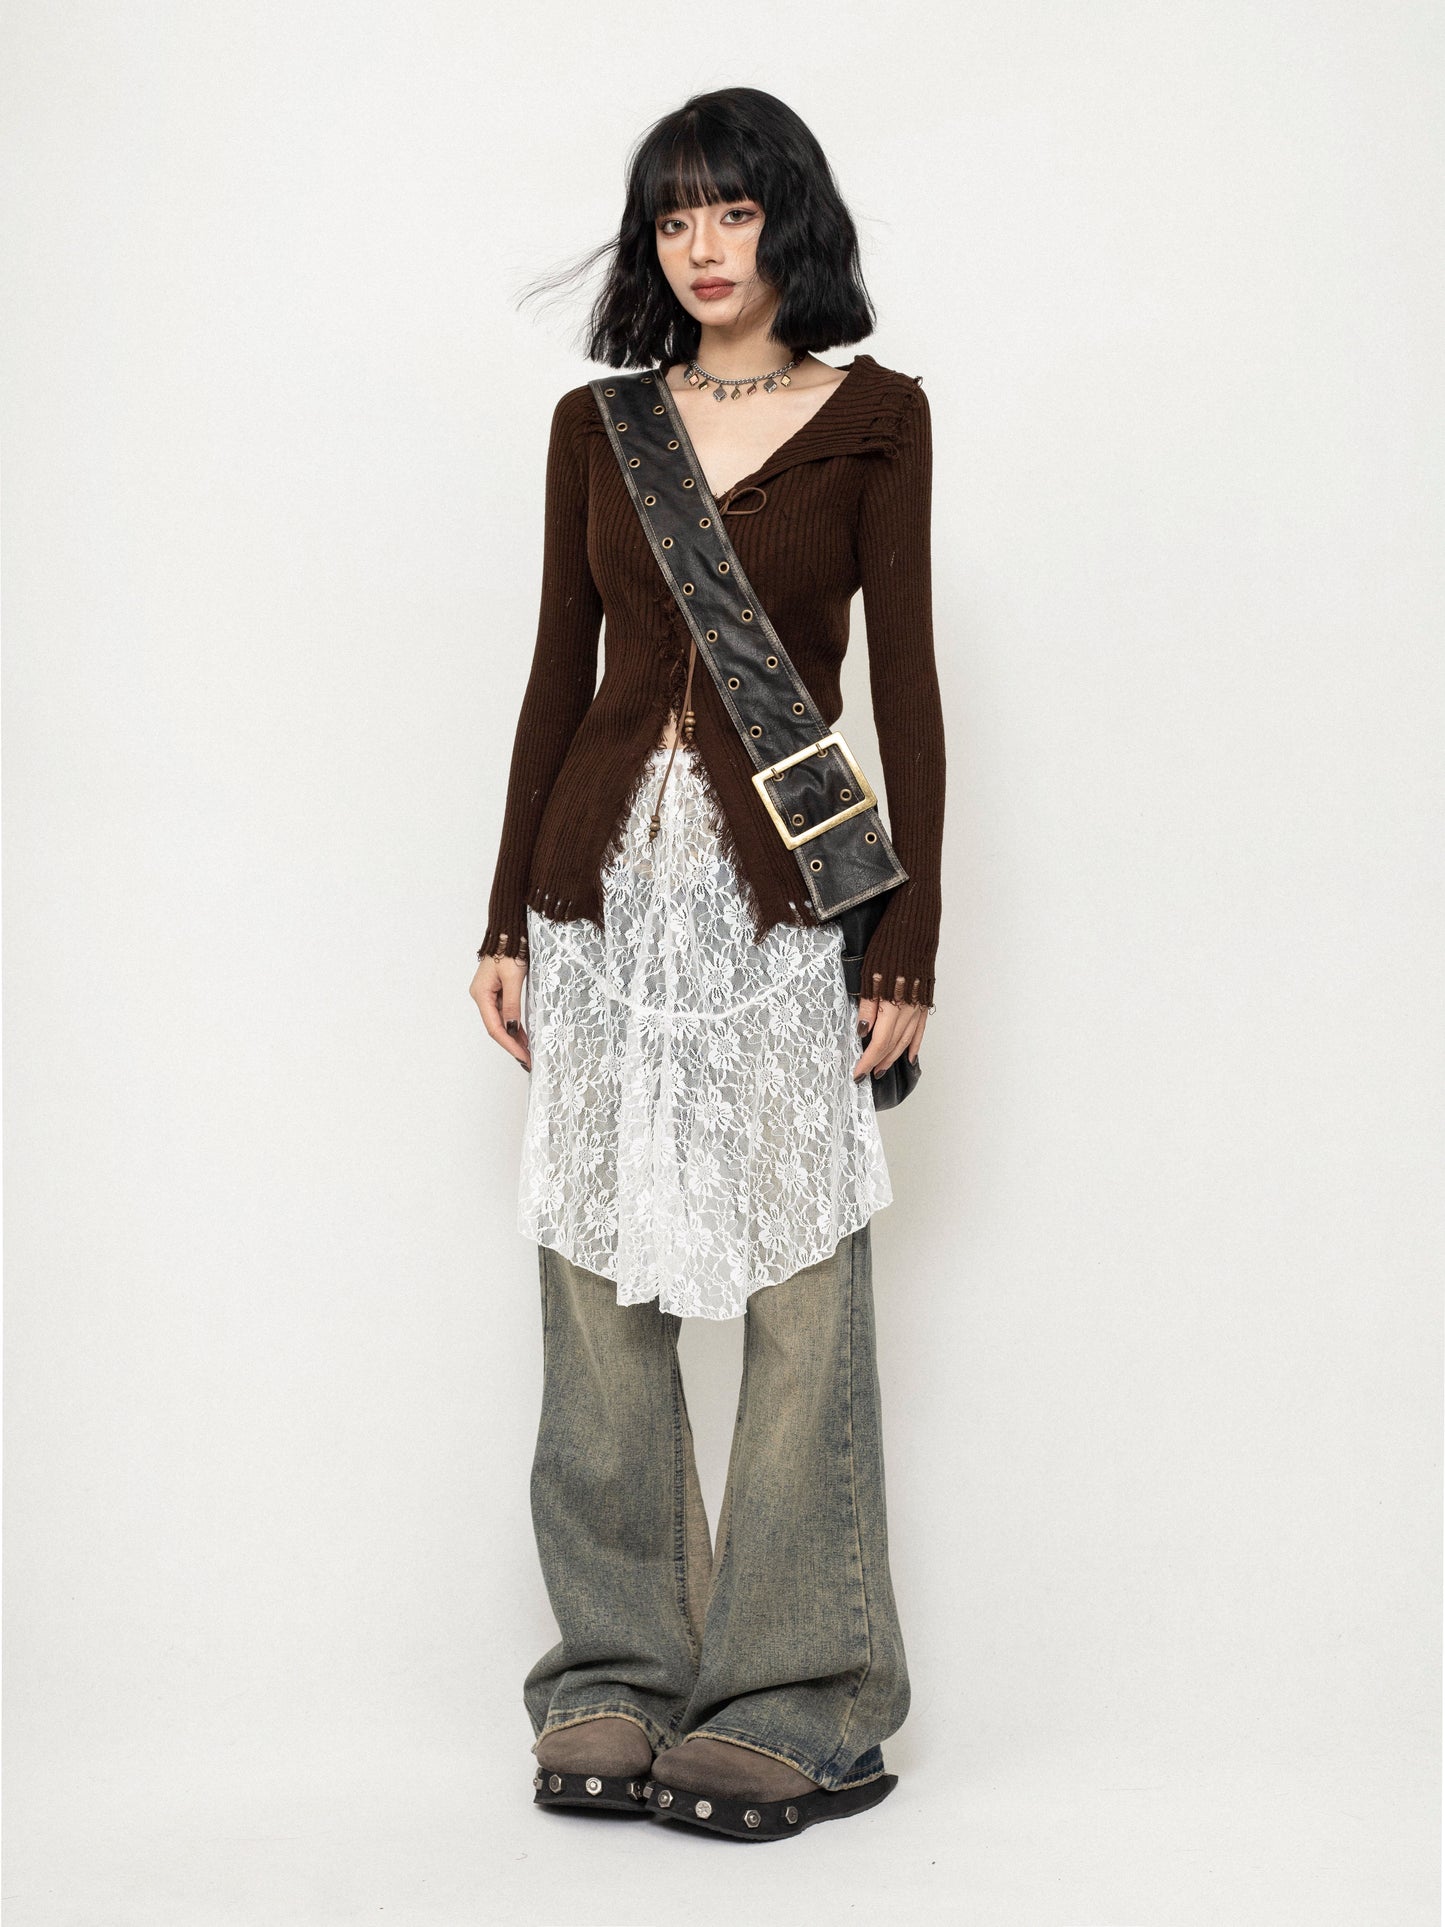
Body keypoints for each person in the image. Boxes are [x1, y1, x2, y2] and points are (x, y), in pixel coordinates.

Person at [469, 86, 946, 1841]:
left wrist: (909, 936)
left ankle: (804, 1696)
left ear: (784, 222)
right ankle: (615, 1673)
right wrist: (504, 918)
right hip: (601, 902)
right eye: (673, 217)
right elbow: (556, 672)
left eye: (731, 211)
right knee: (597, 1290)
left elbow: (906, 685)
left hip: (784, 909)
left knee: (802, 1293)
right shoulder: (597, 428)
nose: (701, 246)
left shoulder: (877, 420)